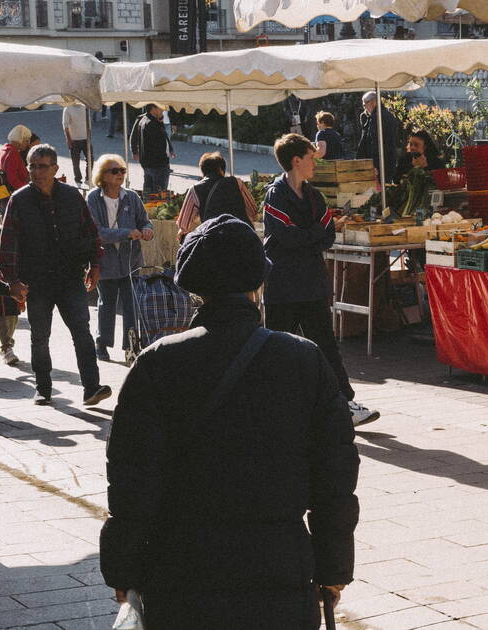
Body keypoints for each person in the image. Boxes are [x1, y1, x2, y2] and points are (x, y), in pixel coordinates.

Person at [100, 215, 360, 629]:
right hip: (278, 566)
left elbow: (132, 479)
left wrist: (123, 567)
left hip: (182, 570)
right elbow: (335, 478)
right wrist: (332, 569)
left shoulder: (157, 363)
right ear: (259, 283)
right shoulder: (304, 359)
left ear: (193, 286)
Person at [263, 134, 380, 427]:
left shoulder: (315, 196)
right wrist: (311, 235)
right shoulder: (275, 195)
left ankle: (345, 402)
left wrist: (307, 236)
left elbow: (327, 234)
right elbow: (285, 236)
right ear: (296, 161)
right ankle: (268, 407)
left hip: (313, 283)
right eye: (312, 157)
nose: (316, 161)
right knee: (277, 350)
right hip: (283, 285)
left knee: (326, 346)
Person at [0, 144, 111, 406]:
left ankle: (91, 387)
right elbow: (9, 243)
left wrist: (95, 264)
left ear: (55, 169)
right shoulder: (19, 200)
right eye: (32, 166)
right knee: (40, 336)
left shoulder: (72, 196)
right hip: (36, 281)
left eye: (43, 166)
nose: (37, 172)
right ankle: (43, 388)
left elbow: (90, 233)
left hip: (70, 277)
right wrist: (12, 281)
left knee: (82, 332)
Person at [86, 154, 154, 362]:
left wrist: (147, 230)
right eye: (114, 171)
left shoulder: (131, 197)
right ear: (103, 175)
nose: (120, 175)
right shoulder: (93, 199)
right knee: (106, 303)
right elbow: (95, 232)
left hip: (130, 260)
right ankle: (102, 343)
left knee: (132, 303)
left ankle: (131, 345)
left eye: (122, 171)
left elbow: (145, 221)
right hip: (104, 261)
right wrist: (125, 233)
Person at [176, 152, 259, 238]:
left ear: (202, 171)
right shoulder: (237, 183)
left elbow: (183, 225)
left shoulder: (195, 190)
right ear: (221, 170)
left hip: (214, 241)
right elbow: (253, 211)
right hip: (243, 237)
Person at [130, 104, 175, 194]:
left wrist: (170, 149)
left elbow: (165, 138)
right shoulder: (151, 123)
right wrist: (134, 150)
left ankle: (146, 206)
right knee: (159, 195)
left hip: (147, 163)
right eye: (160, 108)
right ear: (153, 109)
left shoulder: (146, 120)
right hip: (158, 164)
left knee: (148, 193)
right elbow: (160, 142)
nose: (162, 110)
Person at [356, 91, 399, 183]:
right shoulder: (387, 115)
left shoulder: (377, 118)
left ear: (373, 102)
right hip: (388, 160)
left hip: (379, 162)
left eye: (364, 104)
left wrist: (373, 164)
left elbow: (374, 142)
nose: (364, 108)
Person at [0, 124, 33, 209]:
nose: (27, 144)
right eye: (26, 140)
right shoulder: (13, 153)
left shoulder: (4, 150)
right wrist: (26, 191)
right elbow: (12, 179)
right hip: (13, 197)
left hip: (2, 195)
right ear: (19, 140)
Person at [62, 104, 90, 186]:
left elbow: (88, 123)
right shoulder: (67, 108)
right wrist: (68, 140)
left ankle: (88, 178)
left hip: (86, 139)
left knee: (90, 159)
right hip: (74, 140)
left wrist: (89, 136)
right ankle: (78, 179)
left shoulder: (85, 107)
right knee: (75, 162)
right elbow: (65, 126)